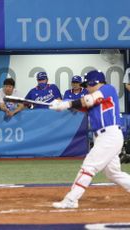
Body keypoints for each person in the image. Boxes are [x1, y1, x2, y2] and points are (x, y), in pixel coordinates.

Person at [50, 70, 130, 209]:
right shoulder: (94, 98)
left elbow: (88, 100)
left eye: (87, 84)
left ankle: (71, 199)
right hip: (104, 137)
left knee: (89, 167)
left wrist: (66, 104)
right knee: (113, 173)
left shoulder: (107, 89)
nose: (86, 87)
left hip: (109, 136)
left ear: (95, 82)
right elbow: (81, 106)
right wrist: (61, 104)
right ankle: (72, 199)